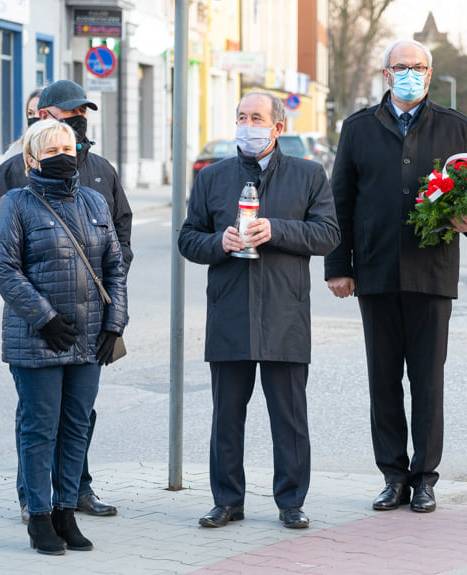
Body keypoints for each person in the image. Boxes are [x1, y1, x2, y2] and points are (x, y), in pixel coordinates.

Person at [324, 39, 467, 514]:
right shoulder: (358, 128)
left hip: (432, 272)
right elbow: (341, 202)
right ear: (386, 74)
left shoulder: (456, 127)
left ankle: (425, 479)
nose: (410, 73)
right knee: (383, 380)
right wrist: (339, 266)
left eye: (418, 67)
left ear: (430, 74)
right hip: (374, 272)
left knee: (427, 380)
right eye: (402, 67)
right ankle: (393, 476)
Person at [0, 79, 132, 522]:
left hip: (89, 319)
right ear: (44, 117)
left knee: (79, 416)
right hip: (39, 322)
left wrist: (108, 308)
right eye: (69, 113)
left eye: (83, 112)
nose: (79, 121)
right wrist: (36, 303)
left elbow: (120, 239)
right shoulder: (14, 174)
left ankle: (76, 490)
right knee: (39, 419)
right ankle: (34, 500)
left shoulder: (100, 171)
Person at [178, 89, 340, 530]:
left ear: (277, 128)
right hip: (229, 311)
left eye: (256, 118)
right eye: (241, 116)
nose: (247, 125)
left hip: (285, 313)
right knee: (226, 415)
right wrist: (220, 242)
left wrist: (277, 229)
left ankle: (291, 501)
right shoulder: (213, 177)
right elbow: (188, 238)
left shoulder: (308, 175)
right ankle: (227, 500)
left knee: (288, 416)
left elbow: (327, 234)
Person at [3, 87, 43, 159]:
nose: (35, 117)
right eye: (30, 113)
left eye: (40, 112)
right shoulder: (16, 150)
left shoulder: (62, 147)